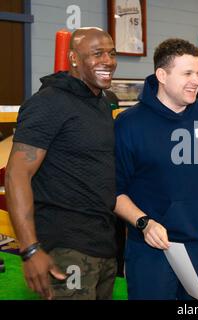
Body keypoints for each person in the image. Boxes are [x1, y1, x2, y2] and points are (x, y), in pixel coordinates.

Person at [114, 38, 198, 300]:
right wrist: (144, 223)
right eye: (187, 73)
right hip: (152, 251)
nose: (196, 80)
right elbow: (113, 190)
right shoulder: (129, 124)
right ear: (162, 75)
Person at [5, 27, 118, 300]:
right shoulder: (49, 103)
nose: (108, 60)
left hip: (103, 245)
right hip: (67, 247)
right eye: (97, 53)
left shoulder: (102, 103)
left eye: (112, 53)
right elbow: (16, 175)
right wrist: (30, 248)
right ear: (74, 59)